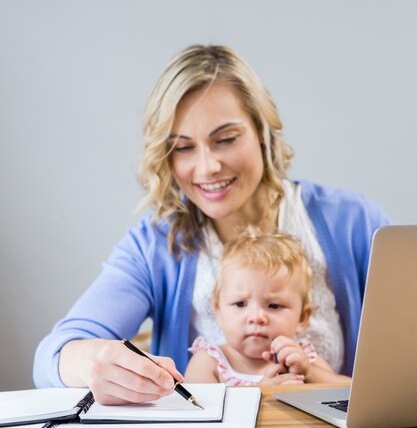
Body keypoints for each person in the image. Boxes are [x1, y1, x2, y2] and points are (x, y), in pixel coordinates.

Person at [33, 44, 390, 404]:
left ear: (263, 132)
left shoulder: (356, 224)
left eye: (226, 140)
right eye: (183, 147)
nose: (206, 168)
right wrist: (93, 363)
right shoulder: (156, 245)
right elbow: (55, 354)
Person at [185, 227, 351, 385]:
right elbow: (199, 412)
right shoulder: (209, 362)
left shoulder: (302, 360)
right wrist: (261, 394)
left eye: (274, 306)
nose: (256, 317)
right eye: (240, 304)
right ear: (218, 313)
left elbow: (351, 392)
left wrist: (309, 373)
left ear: (302, 318)